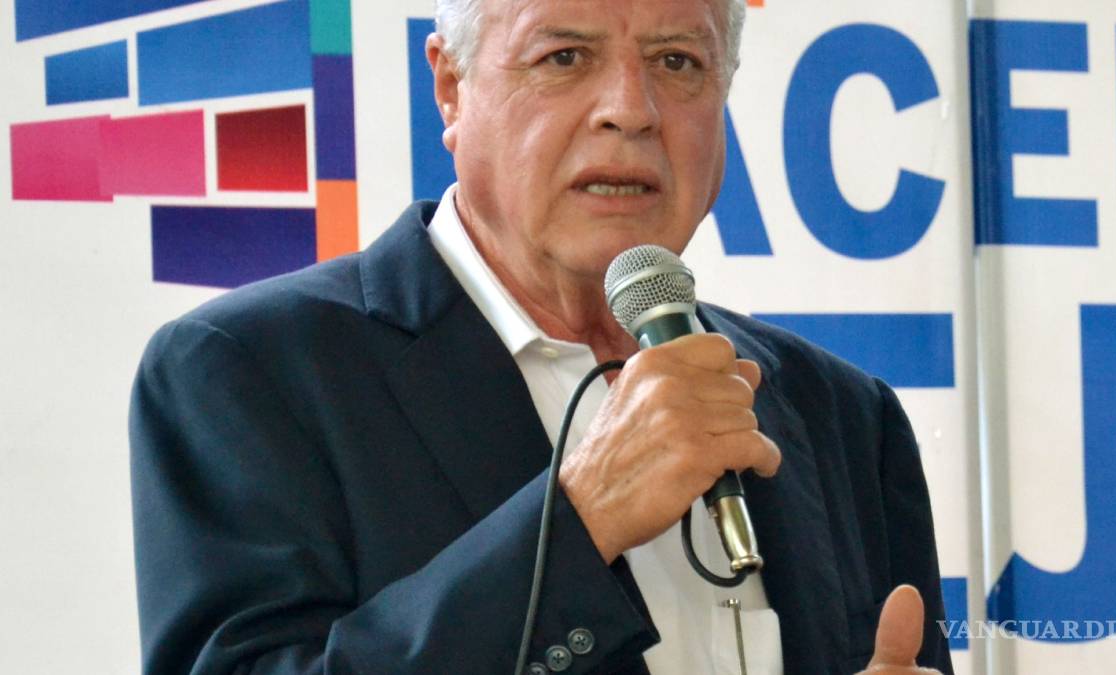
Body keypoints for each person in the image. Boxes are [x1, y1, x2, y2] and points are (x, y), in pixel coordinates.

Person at [129, 0, 953, 673]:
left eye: (677, 62)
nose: (630, 109)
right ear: (450, 88)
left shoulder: (844, 414)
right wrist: (581, 518)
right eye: (565, 56)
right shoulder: (248, 372)